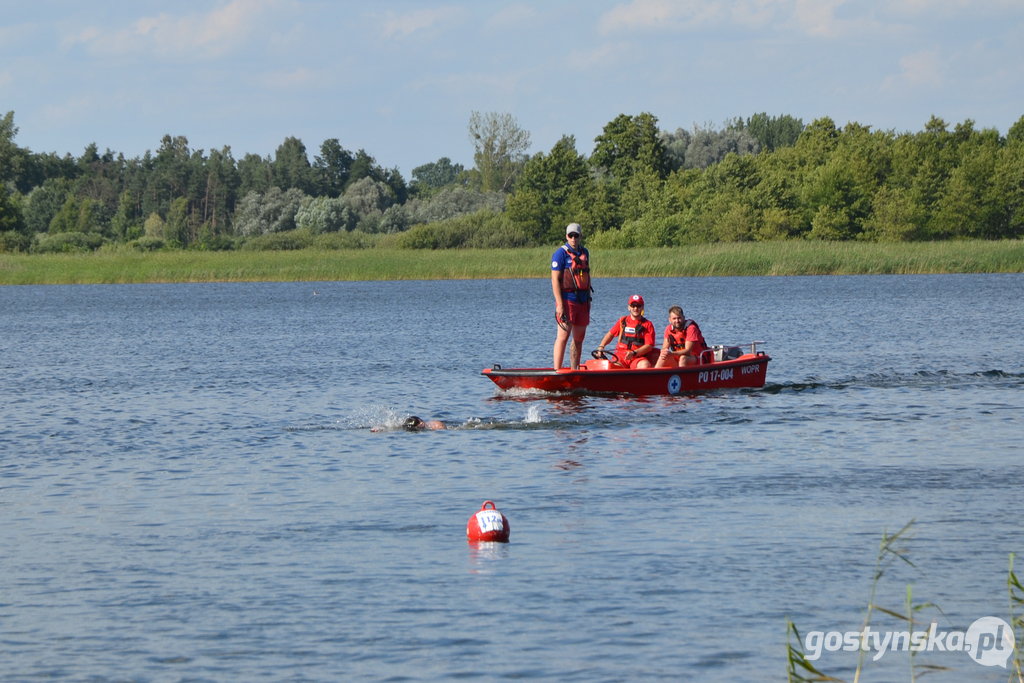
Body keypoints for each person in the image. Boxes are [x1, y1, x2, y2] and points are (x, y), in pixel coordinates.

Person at [551, 222, 591, 370]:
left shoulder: (585, 252)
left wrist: (588, 299)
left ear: (580, 236)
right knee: (563, 337)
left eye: (576, 235)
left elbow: (587, 275)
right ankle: (557, 370)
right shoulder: (560, 254)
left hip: (582, 301)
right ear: (567, 236)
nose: (573, 238)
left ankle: (575, 370)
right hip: (567, 300)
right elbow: (555, 279)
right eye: (571, 235)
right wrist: (559, 304)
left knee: (578, 339)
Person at [596, 294, 658, 369]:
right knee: (609, 366)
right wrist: (601, 347)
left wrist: (634, 353)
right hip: (621, 357)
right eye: (633, 306)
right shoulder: (622, 321)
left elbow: (649, 346)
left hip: (637, 357)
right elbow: (610, 335)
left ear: (642, 307)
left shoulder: (648, 324)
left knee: (644, 365)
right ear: (629, 307)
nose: (635, 308)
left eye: (638, 306)